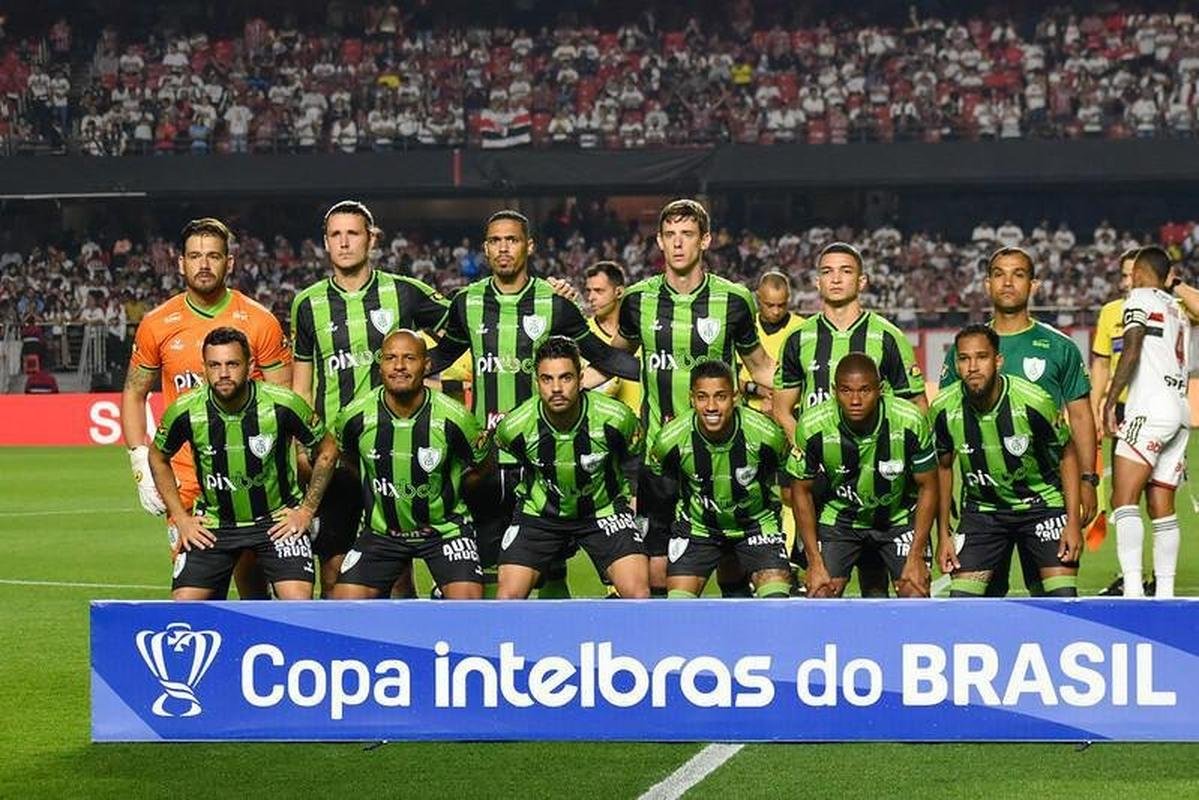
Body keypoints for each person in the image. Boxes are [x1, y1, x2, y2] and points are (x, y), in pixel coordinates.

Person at [429, 209, 641, 597]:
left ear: (529, 246)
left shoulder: (555, 303)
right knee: (481, 567)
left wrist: (660, 365)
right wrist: (397, 364)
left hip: (542, 458)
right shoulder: (466, 302)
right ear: (485, 248)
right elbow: (442, 356)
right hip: (486, 461)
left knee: (550, 564)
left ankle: (546, 650)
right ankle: (488, 650)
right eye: (495, 240)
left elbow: (603, 357)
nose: (503, 247)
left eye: (511, 239)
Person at [607, 199, 777, 597]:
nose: (678, 244)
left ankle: (733, 653)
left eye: (687, 235)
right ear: (660, 242)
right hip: (660, 455)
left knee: (730, 561)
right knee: (656, 573)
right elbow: (613, 359)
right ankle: (666, 656)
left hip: (723, 453)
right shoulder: (637, 300)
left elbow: (761, 365)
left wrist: (802, 396)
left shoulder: (734, 299)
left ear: (706, 240)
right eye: (670, 235)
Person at [122, 217, 292, 601]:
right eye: (194, 256)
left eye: (213, 256)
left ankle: (257, 656)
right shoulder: (156, 324)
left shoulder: (260, 321)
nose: (203, 264)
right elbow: (134, 393)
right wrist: (138, 462)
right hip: (187, 483)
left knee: (253, 581)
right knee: (196, 592)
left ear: (229, 263)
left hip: (253, 478)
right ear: (179, 262)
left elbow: (287, 402)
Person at [290, 200, 449, 596]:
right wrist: (301, 451)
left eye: (353, 233)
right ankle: (338, 654)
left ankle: (404, 652)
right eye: (336, 235)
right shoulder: (307, 303)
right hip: (335, 458)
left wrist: (432, 375)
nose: (345, 243)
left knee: (395, 570)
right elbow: (302, 387)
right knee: (332, 566)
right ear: (325, 243)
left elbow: (466, 329)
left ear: (371, 239)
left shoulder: (405, 294)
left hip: (395, 454)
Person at [939, 246, 1096, 596]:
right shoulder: (965, 350)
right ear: (987, 284)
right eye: (999, 274)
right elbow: (946, 422)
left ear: (1034, 285)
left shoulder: (1059, 347)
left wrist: (1088, 480)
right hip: (983, 502)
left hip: (1046, 497)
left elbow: (1082, 417)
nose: (1008, 282)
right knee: (976, 606)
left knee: (1053, 600)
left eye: (1019, 274)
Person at [772, 241, 926, 596]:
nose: (836, 279)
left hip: (883, 481)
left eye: (845, 271)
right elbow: (782, 407)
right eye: (827, 272)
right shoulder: (799, 338)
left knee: (886, 586)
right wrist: (814, 453)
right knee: (820, 586)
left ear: (863, 281)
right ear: (816, 282)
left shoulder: (888, 337)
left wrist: (896, 460)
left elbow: (916, 405)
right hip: (824, 485)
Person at [147, 327, 335, 601]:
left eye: (232, 364)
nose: (223, 373)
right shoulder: (185, 410)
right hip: (214, 523)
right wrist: (181, 518)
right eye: (215, 365)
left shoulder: (283, 404)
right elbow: (157, 456)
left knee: (298, 603)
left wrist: (306, 511)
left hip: (277, 520)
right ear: (204, 369)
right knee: (184, 605)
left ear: (250, 366)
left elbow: (328, 449)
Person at [330, 330, 488, 600]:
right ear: (380, 364)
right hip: (382, 534)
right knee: (345, 605)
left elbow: (482, 468)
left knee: (467, 605)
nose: (399, 366)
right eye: (391, 358)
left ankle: (442, 594)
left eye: (409, 358)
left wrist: (447, 495)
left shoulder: (456, 418)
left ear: (426, 365)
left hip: (445, 532)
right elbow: (348, 462)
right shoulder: (354, 416)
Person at [931, 324, 1082, 597]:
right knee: (963, 603)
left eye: (982, 357)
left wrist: (1072, 523)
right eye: (964, 359)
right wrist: (943, 534)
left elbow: (1067, 455)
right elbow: (942, 467)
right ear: (956, 364)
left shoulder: (1034, 402)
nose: (973, 366)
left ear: (998, 361)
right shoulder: (942, 408)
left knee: (1061, 599)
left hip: (1042, 508)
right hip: (982, 512)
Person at [494, 336, 649, 599]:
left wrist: (633, 496)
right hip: (539, 516)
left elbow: (634, 457)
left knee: (638, 594)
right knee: (507, 598)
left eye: (565, 378)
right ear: (537, 382)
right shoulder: (515, 427)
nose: (556, 388)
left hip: (604, 512)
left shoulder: (616, 418)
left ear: (580, 378)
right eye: (547, 379)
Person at [790, 353, 936, 598]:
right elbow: (800, 490)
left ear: (880, 389)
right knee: (820, 591)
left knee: (914, 589)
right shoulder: (812, 426)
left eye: (865, 390)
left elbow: (929, 487)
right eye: (846, 391)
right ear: (835, 391)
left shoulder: (909, 421)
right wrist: (814, 562)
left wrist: (916, 555)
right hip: (841, 520)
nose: (855, 400)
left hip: (897, 518)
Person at [649, 359, 792, 599]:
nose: (711, 406)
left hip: (755, 526)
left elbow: (786, 478)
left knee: (775, 602)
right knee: (677, 609)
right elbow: (663, 494)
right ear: (691, 399)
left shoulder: (767, 436)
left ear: (735, 397)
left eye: (721, 396)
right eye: (703, 397)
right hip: (698, 529)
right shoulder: (669, 441)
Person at [1104, 246, 1192, 599]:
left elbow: (1133, 347)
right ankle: (1166, 593)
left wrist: (1111, 399)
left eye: (1130, 274)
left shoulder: (1138, 298)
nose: (1128, 281)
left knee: (1123, 499)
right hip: (1181, 410)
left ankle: (1134, 591)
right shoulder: (1179, 311)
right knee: (1162, 505)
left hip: (1148, 408)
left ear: (1139, 273)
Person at [1089, 248, 1136, 592]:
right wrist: (1095, 409)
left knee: (1159, 500)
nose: (1128, 281)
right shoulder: (1111, 313)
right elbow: (1102, 364)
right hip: (1122, 411)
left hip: (1159, 409)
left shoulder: (1170, 307)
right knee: (1123, 496)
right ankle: (1132, 577)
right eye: (1124, 274)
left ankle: (1157, 582)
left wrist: (1173, 285)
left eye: (1135, 273)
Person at [583, 260, 641, 413]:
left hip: (646, 431)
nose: (591, 297)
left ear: (619, 292)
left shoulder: (643, 332)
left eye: (599, 291)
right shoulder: (583, 336)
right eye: (588, 291)